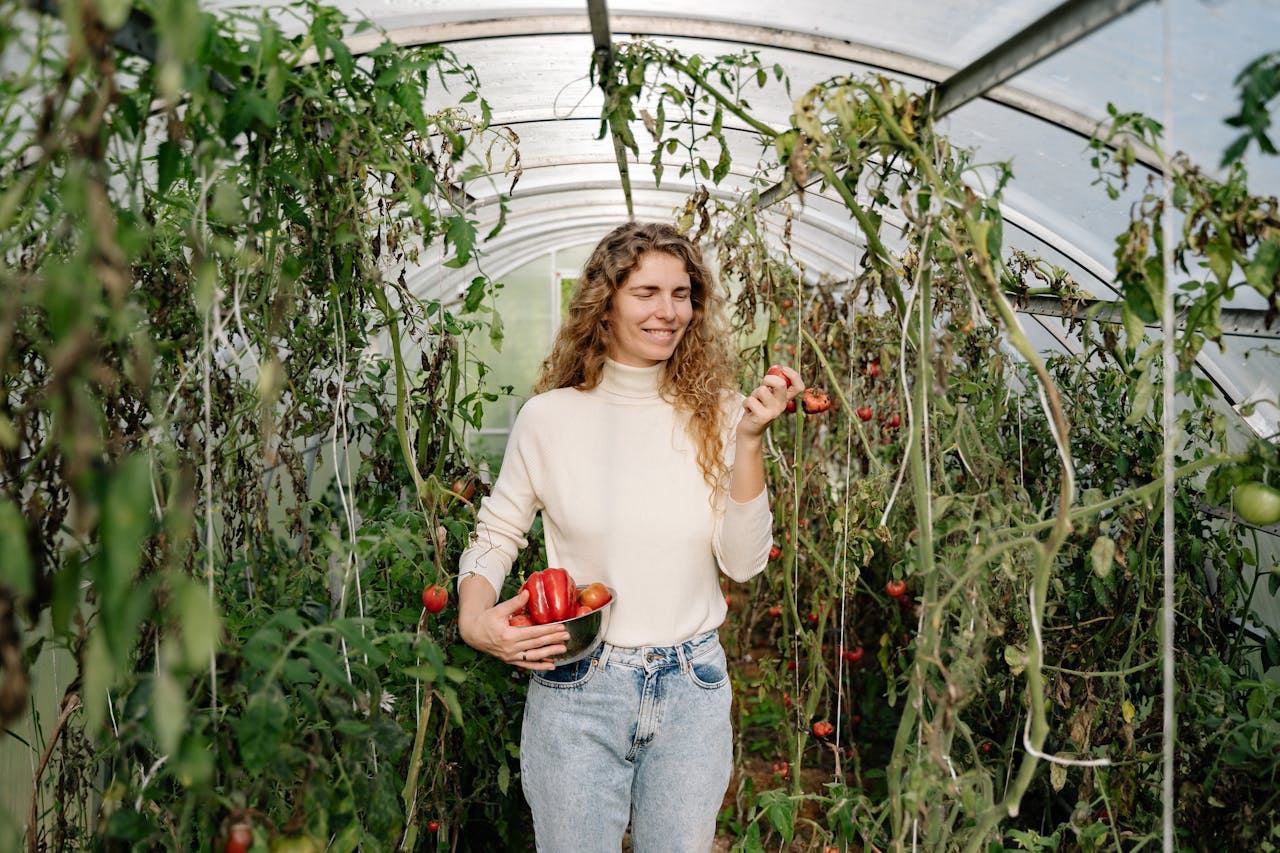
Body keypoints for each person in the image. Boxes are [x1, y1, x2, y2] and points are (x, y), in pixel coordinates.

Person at [456, 221, 802, 852]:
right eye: (646, 292)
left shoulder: (723, 412)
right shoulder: (550, 418)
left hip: (691, 687)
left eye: (682, 293)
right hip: (579, 686)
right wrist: (473, 617)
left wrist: (749, 442)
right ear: (605, 301)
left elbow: (745, 563)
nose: (668, 312)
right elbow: (498, 531)